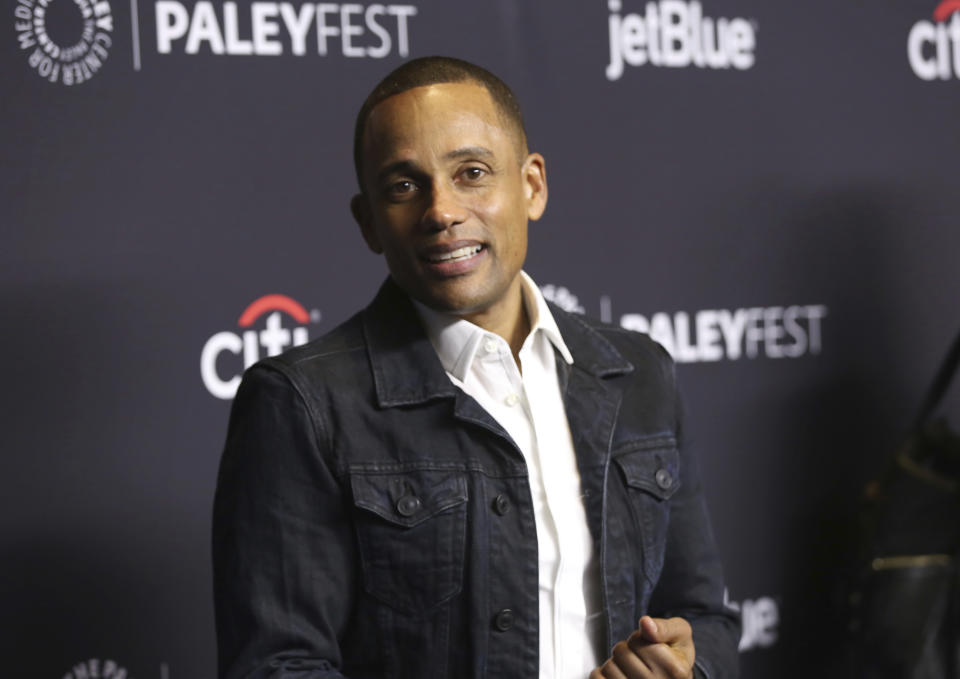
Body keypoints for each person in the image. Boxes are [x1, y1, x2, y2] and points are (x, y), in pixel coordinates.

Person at [212, 56, 740, 679]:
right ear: (369, 223)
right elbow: (279, 665)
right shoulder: (301, 402)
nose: (441, 211)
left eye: (472, 173)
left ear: (532, 186)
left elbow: (705, 618)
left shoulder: (638, 371)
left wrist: (681, 664)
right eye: (404, 186)